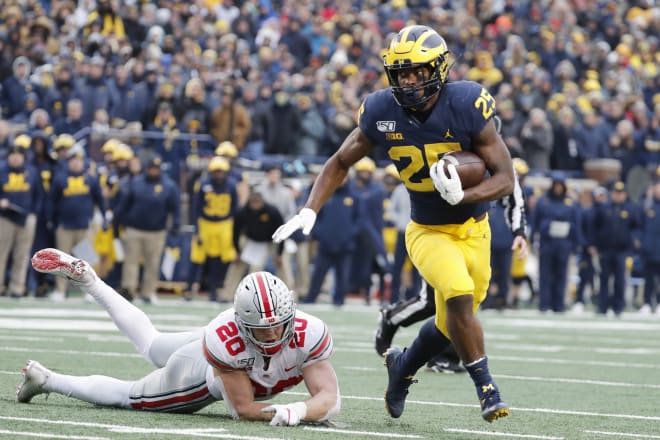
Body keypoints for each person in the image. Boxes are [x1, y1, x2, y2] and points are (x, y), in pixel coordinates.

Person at [272, 25, 516, 422]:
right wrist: (309, 209)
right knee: (456, 293)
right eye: (401, 73)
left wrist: (465, 195)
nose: (409, 80)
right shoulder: (382, 109)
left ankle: (402, 366)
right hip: (427, 230)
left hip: (475, 228)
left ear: (438, 69)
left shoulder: (468, 103)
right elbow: (340, 161)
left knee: (451, 320)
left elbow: (506, 177)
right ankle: (487, 388)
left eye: (418, 71)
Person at [18, 248, 340, 426]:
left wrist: (296, 411)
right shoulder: (226, 339)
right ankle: (47, 380)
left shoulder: (308, 331)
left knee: (152, 343)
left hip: (207, 346)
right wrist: (293, 413)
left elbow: (329, 399)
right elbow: (243, 409)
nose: (270, 334)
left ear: (292, 315)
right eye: (260, 328)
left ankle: (89, 281)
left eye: (277, 325)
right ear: (242, 323)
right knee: (128, 396)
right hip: (200, 374)